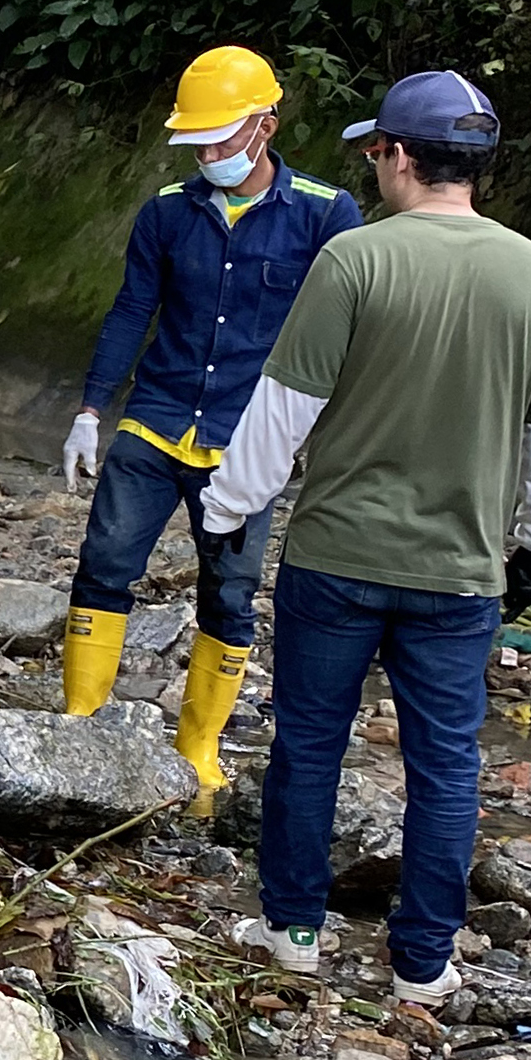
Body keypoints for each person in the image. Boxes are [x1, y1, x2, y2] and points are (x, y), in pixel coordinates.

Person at [200, 70, 531, 1006]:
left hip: (336, 559)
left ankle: (293, 927)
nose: (375, 166)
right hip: (460, 574)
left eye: (376, 151)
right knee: (446, 764)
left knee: (309, 746)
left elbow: (283, 414)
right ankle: (423, 962)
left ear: (402, 156)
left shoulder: (355, 262)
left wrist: (223, 513)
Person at [60, 46, 362, 799]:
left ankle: (199, 748)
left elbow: (343, 334)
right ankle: (77, 723)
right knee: (105, 563)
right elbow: (134, 309)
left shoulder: (327, 215)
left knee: (229, 589)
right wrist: (92, 410)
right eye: (198, 142)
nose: (209, 155)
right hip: (157, 417)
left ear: (266, 126)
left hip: (248, 437)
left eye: (222, 140)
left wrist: (323, 437)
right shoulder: (167, 211)